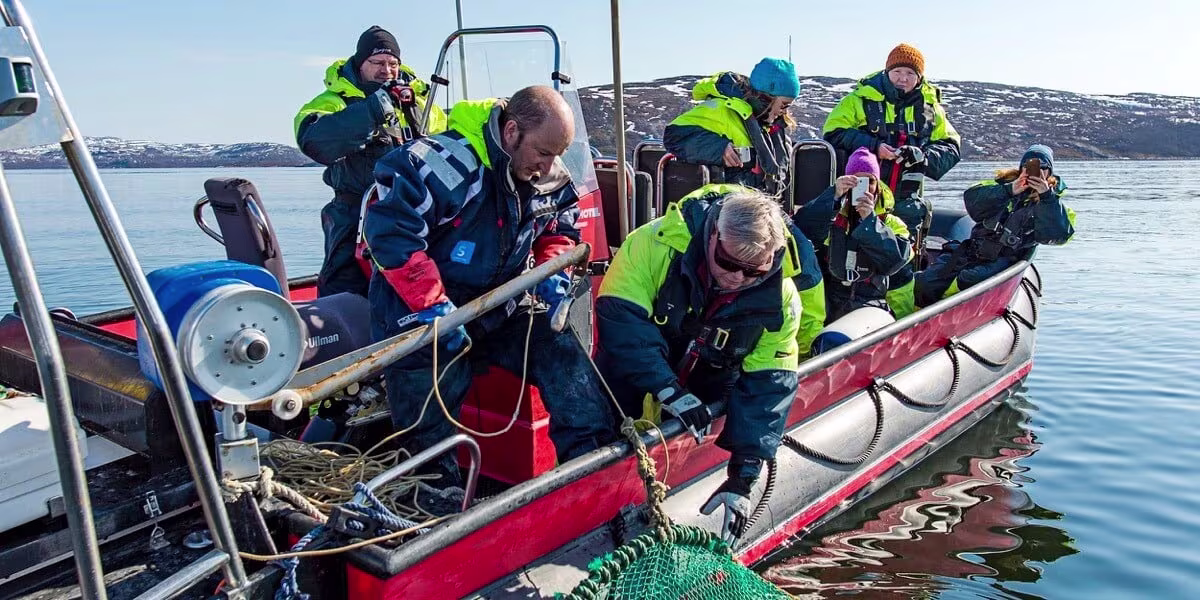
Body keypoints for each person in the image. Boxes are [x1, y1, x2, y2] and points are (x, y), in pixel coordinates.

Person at [363, 85, 614, 482]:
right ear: (511, 132)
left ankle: (592, 467)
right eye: (544, 153)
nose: (549, 166)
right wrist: (434, 307)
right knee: (428, 424)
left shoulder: (547, 173)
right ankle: (435, 497)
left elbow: (558, 229)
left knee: (559, 347)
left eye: (557, 155)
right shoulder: (435, 166)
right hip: (422, 316)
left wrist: (551, 273)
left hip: (500, 306)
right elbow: (392, 234)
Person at [594, 184, 801, 542]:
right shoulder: (651, 244)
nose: (738, 278)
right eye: (728, 263)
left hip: (709, 384)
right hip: (628, 378)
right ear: (714, 235)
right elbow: (621, 319)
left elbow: (769, 385)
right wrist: (667, 390)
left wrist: (743, 478)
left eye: (753, 273)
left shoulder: (781, 299)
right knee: (594, 429)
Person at [295, 26, 447, 298]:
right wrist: (372, 110)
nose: (386, 70)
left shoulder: (419, 100)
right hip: (355, 216)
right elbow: (313, 140)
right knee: (343, 291)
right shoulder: (334, 101)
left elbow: (446, 140)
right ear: (360, 63)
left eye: (392, 63)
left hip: (413, 215)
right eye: (377, 63)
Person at [822, 43, 960, 258]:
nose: (903, 78)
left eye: (910, 73)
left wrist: (921, 157)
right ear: (887, 72)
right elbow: (833, 133)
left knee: (903, 257)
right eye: (897, 71)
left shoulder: (931, 109)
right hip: (864, 194)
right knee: (857, 252)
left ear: (919, 77)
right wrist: (874, 147)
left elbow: (951, 147)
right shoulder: (858, 100)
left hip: (907, 199)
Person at [915, 144, 1075, 305]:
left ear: (1050, 172)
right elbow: (973, 201)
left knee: (970, 280)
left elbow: (1057, 236)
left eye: (1043, 168)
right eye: (1029, 166)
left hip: (1005, 258)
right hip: (972, 251)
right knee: (926, 282)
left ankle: (945, 305)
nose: (1036, 172)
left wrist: (1046, 196)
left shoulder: (1054, 204)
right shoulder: (1002, 185)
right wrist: (1009, 190)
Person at [795, 147, 914, 322]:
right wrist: (833, 196)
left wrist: (870, 223)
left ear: (878, 187)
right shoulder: (833, 219)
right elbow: (804, 227)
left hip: (873, 302)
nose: (864, 187)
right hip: (833, 300)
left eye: (869, 182)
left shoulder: (892, 223)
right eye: (857, 181)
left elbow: (894, 261)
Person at [663, 58, 800, 196]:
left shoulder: (767, 125)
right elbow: (674, 136)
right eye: (784, 105)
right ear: (767, 97)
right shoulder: (721, 109)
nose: (785, 112)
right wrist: (717, 148)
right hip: (723, 203)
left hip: (756, 201)